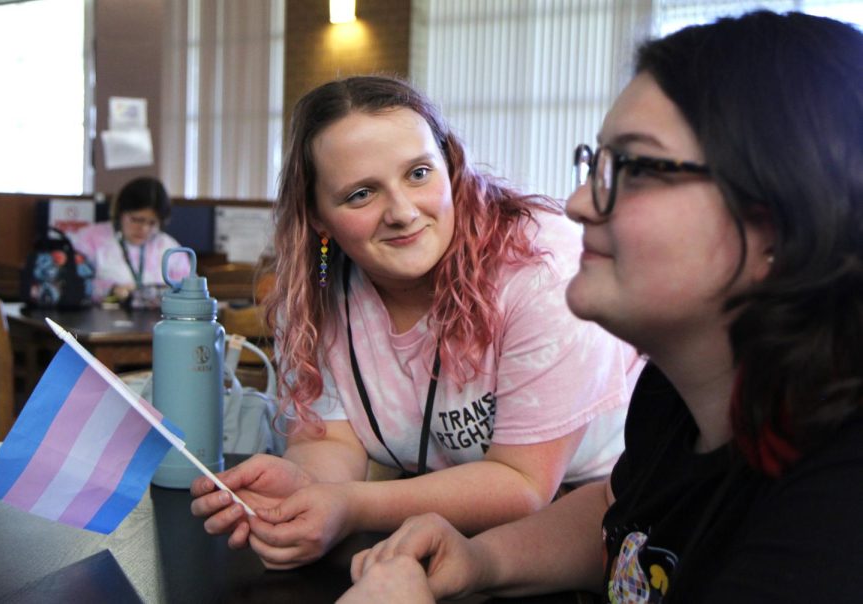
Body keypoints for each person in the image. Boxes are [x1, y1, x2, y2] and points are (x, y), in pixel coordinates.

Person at [340, 10, 863, 603]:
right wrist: (481, 558)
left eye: (635, 168)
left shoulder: (839, 506)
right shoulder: (675, 397)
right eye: (597, 164)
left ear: (784, 219)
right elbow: (624, 514)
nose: (580, 202)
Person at [189, 75, 643, 569]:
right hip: (431, 523)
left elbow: (523, 483)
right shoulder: (318, 290)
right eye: (361, 194)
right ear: (318, 217)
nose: (403, 213)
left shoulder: (541, 269)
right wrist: (307, 489)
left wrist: (349, 504)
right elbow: (332, 438)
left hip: (598, 523)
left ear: (450, 166)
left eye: (419, 173)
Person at [72, 176, 190, 307]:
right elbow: (75, 283)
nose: (144, 229)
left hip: (157, 322)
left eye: (152, 223)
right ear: (120, 213)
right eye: (136, 220)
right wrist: (111, 289)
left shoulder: (169, 248)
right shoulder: (90, 239)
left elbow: (188, 291)